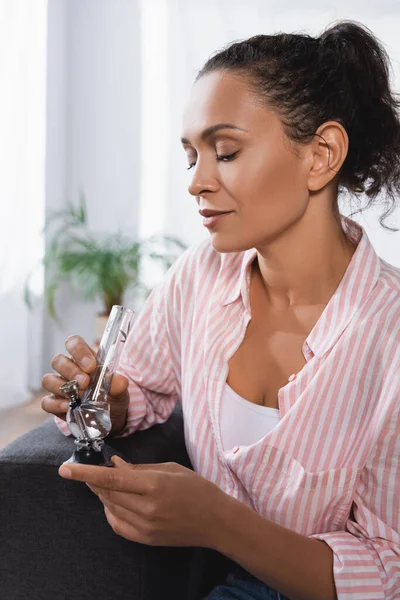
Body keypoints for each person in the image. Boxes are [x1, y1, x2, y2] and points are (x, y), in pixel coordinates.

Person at [41, 20, 400, 600]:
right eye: (192, 158)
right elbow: (145, 392)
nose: (198, 182)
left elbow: (390, 569)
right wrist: (106, 398)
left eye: (226, 151)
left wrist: (217, 521)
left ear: (322, 155)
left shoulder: (391, 337)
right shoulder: (201, 277)